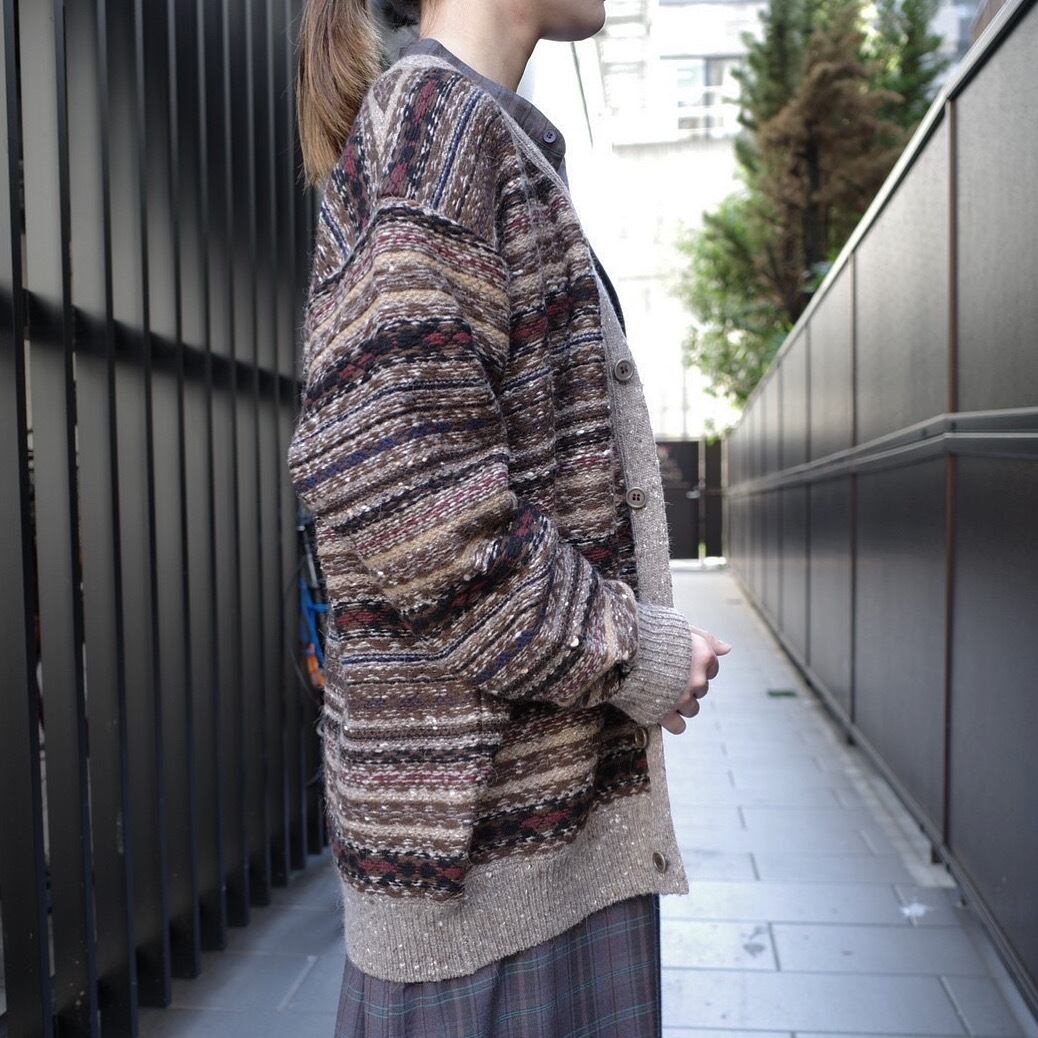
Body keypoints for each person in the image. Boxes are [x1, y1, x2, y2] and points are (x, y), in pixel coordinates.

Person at [289, 0, 734, 1033]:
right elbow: (413, 504)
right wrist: (637, 651)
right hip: (487, 886)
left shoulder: (468, 132)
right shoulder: (432, 129)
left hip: (525, 858)